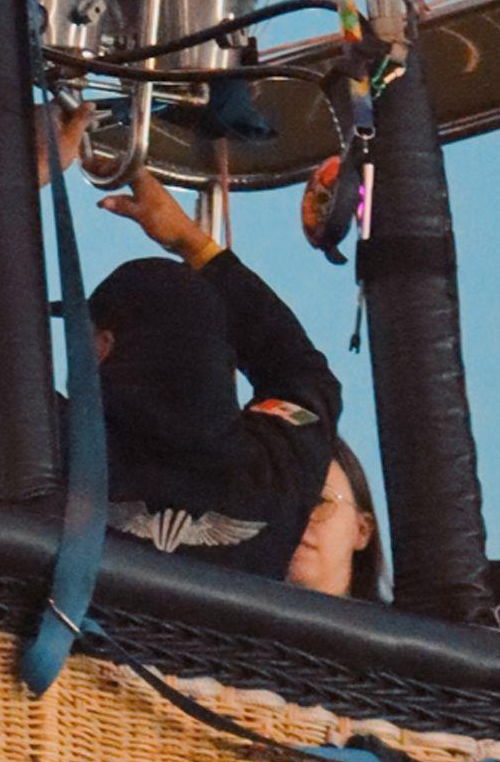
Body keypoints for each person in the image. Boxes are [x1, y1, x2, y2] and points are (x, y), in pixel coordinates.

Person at [79, 159, 343, 577]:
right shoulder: (273, 473)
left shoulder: (53, 448)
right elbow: (302, 372)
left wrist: (32, 167)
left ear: (104, 348)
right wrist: (193, 244)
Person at [288, 437, 382, 601]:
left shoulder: (404, 618)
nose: (298, 515)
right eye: (281, 500)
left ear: (362, 530)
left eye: (320, 501)